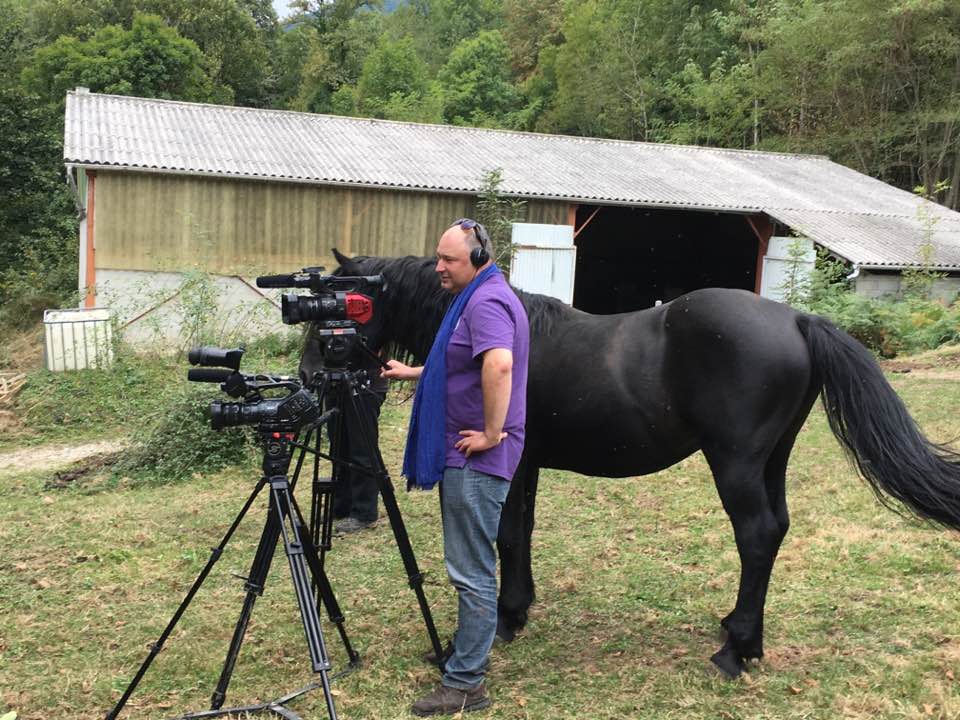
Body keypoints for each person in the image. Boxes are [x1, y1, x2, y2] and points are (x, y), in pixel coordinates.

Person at [382, 218, 529, 716]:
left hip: (477, 458)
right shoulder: (479, 295)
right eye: (439, 256)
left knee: (471, 570)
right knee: (469, 565)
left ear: (480, 259)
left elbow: (499, 364)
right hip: (465, 453)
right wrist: (414, 371)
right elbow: (462, 359)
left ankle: (466, 682)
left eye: (449, 260)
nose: (439, 267)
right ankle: (466, 657)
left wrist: (491, 432)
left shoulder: (486, 302)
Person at [332, 348, 388, 534]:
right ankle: (341, 505)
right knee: (339, 446)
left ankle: (365, 512)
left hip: (366, 383)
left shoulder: (376, 320)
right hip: (335, 382)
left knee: (362, 448)